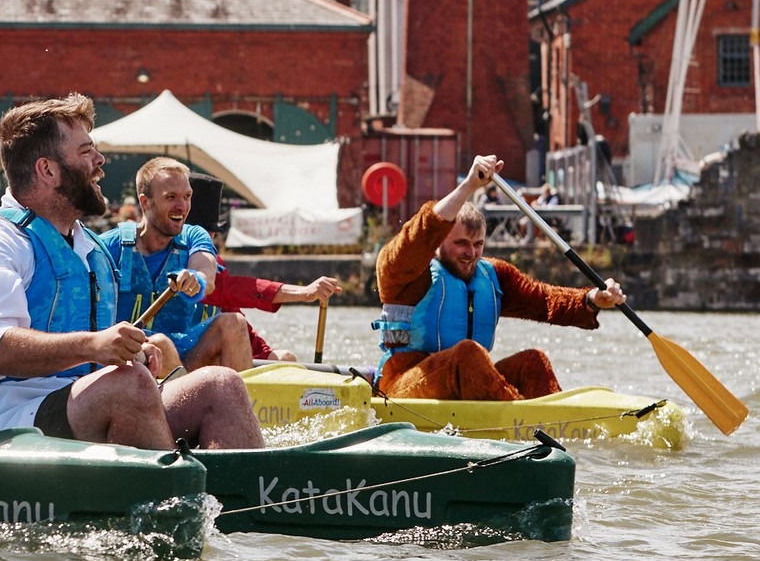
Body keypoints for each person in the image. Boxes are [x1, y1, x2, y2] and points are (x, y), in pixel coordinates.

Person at [0, 97, 263, 451]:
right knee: (128, 386)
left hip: (93, 398)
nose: (99, 159)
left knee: (220, 384)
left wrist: (131, 349)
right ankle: (178, 485)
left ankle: (240, 489)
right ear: (48, 170)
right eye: (86, 151)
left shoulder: (88, 245)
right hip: (5, 412)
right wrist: (95, 346)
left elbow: (96, 348)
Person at [374, 154, 625, 401]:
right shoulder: (407, 272)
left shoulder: (493, 275)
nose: (470, 253)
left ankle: (558, 419)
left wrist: (592, 299)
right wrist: (469, 185)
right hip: (403, 388)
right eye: (461, 243)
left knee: (532, 361)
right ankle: (520, 416)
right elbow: (420, 234)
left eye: (478, 244)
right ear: (439, 242)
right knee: (467, 354)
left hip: (468, 382)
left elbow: (544, 300)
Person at [101, 158, 253, 372]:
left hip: (185, 351)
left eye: (187, 197)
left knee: (235, 323)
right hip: (131, 357)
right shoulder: (107, 246)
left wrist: (197, 279)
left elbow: (206, 274)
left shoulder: (195, 235)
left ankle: (225, 393)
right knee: (160, 343)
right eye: (171, 197)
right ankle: (189, 389)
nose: (182, 207)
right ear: (145, 202)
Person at [208, 271, 344, 362]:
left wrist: (265, 354)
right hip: (197, 360)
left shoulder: (215, 263)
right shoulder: (197, 267)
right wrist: (303, 292)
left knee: (285, 359)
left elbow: (230, 307)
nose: (211, 238)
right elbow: (227, 290)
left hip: (220, 362)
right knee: (234, 322)